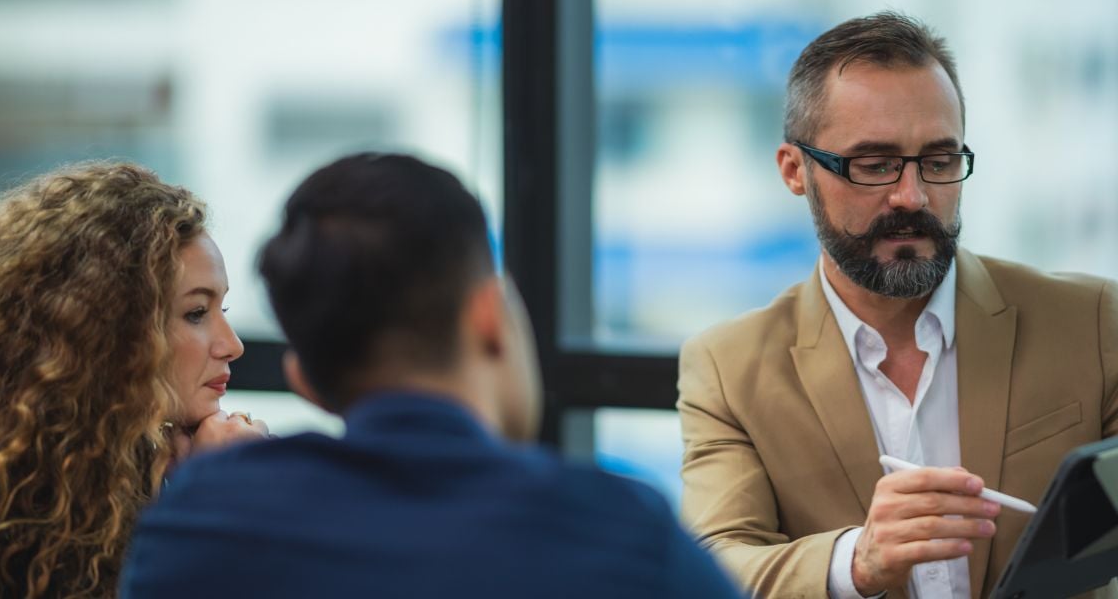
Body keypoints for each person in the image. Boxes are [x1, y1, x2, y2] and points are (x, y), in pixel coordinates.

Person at [677, 12, 1118, 599]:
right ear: (794, 171)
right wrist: (856, 562)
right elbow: (710, 568)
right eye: (874, 164)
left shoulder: (1088, 322)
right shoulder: (729, 368)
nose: (912, 196)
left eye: (939, 161)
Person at [119, 153, 742, 599]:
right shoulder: (622, 534)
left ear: (303, 377)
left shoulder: (197, 525)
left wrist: (222, 487)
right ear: (491, 317)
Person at [0, 162, 268, 598]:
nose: (232, 345)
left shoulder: (103, 474)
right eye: (196, 313)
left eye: (221, 311)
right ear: (105, 332)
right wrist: (218, 503)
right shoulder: (20, 511)